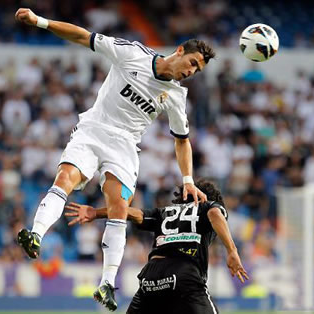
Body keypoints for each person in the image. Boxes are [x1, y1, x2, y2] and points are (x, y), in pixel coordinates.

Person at [14, 7, 215, 311]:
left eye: (197, 70)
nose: (191, 71)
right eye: (192, 63)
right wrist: (39, 21)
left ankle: (107, 284)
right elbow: (83, 36)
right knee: (65, 178)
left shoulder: (175, 96)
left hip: (124, 147)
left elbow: (182, 141)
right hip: (93, 130)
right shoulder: (131, 53)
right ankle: (36, 234)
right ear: (179, 51)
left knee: (118, 207)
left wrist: (187, 178)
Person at [65, 179, 249, 314]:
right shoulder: (208, 206)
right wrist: (232, 251)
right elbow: (215, 213)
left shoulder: (163, 212)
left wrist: (95, 212)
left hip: (151, 276)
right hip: (184, 273)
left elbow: (133, 214)